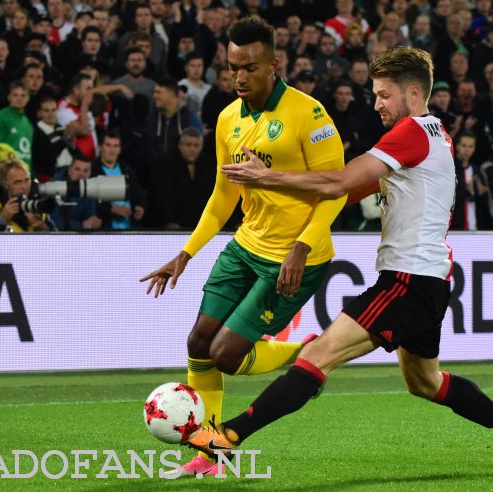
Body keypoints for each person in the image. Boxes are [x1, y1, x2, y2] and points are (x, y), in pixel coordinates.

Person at [197, 46, 493, 474]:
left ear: (413, 92)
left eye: (384, 94)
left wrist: (267, 175)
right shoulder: (434, 132)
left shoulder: (411, 133)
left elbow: (341, 182)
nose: (377, 103)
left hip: (406, 280)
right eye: (376, 94)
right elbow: (343, 192)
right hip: (430, 280)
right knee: (426, 382)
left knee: (318, 356)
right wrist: (295, 206)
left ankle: (228, 435)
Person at [139, 17, 347, 478]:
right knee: (198, 343)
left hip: (296, 256)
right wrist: (186, 254)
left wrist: (301, 247)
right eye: (232, 67)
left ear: (274, 64)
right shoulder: (228, 118)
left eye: (249, 68)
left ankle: (306, 353)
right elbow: (223, 195)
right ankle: (210, 452)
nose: (239, 77)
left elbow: (337, 190)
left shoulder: (309, 115)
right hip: (245, 245)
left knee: (227, 355)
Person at [0, 158, 55, 232]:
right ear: (5, 184)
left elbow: (60, 241)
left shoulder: (38, 207)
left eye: (27, 180)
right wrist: (2, 219)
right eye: (17, 182)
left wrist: (43, 229)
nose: (24, 187)